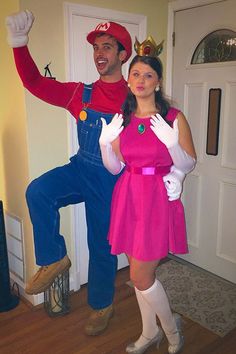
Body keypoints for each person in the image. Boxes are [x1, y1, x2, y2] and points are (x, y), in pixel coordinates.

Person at [5, 11, 184, 336]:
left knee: (101, 245)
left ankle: (102, 306)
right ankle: (54, 257)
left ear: (122, 54)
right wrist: (19, 44)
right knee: (38, 191)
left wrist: (177, 172)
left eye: (106, 47)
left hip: (114, 181)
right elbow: (34, 83)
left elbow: (166, 129)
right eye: (96, 48)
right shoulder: (80, 93)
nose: (99, 54)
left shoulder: (136, 98)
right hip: (81, 168)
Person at [99, 36, 196, 353]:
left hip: (156, 199)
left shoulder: (173, 118)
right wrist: (104, 144)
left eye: (148, 75)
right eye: (136, 74)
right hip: (128, 196)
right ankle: (149, 332)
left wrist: (172, 146)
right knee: (138, 275)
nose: (141, 80)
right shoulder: (122, 120)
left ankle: (172, 332)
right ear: (129, 80)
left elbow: (189, 161)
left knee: (141, 276)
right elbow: (115, 168)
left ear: (158, 82)